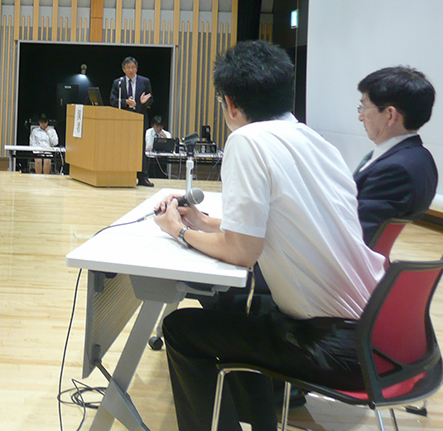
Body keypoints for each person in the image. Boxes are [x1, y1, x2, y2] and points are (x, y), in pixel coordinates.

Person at [154, 40, 385, 431]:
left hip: (334, 346)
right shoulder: (316, 142)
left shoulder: (246, 140)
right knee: (237, 310)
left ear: (230, 103)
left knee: (180, 329)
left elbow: (241, 252)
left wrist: (178, 230)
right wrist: (204, 222)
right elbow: (282, 220)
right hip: (377, 332)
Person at [354, 66, 438, 245]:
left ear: (390, 115)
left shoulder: (396, 169)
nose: (361, 117)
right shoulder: (418, 157)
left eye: (364, 107)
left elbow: (357, 234)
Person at [109, 56, 154, 186]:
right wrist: (125, 102)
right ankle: (122, 175)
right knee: (122, 147)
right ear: (123, 69)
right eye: (128, 67)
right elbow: (112, 100)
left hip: (139, 118)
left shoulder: (144, 81)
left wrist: (143, 102)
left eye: (133, 67)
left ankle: (143, 177)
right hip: (123, 119)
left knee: (140, 147)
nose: (131, 70)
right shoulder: (118, 83)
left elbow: (151, 99)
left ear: (137, 68)